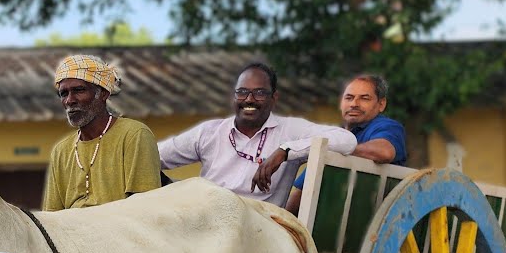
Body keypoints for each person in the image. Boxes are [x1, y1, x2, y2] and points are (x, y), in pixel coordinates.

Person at [157, 61, 357, 207]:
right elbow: (153, 156)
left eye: (260, 93)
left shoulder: (290, 130)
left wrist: (285, 151)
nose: (249, 99)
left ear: (274, 98)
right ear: (234, 96)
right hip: (208, 218)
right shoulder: (209, 132)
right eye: (242, 92)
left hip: (260, 231)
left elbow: (347, 141)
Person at [42, 54, 162, 211]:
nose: (69, 100)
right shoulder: (61, 151)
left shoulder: (134, 135)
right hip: (71, 234)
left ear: (103, 93)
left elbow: (144, 210)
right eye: (63, 93)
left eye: (79, 90)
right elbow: (52, 217)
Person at [284, 73, 408, 215]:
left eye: (364, 98)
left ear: (381, 104)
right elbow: (301, 192)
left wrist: (337, 147)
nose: (354, 104)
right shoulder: (335, 135)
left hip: (371, 221)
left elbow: (385, 152)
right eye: (349, 98)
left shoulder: (386, 126)